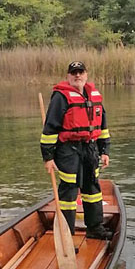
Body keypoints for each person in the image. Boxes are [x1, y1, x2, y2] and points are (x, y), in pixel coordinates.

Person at [40, 60, 111, 239]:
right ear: (68, 76)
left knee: (92, 189)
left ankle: (95, 228)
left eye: (80, 72)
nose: (77, 75)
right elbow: (49, 129)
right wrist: (48, 157)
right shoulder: (60, 97)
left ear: (86, 75)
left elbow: (102, 126)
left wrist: (105, 151)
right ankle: (66, 234)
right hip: (68, 150)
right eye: (74, 73)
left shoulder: (94, 95)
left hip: (90, 149)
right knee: (69, 191)